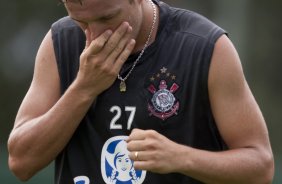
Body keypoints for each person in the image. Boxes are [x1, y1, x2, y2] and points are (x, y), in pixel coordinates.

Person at [7, 0, 274, 183]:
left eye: (107, 17)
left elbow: (260, 167)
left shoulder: (206, 47)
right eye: (81, 22)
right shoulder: (59, 42)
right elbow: (21, 162)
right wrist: (83, 89)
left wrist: (182, 157)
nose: (96, 35)